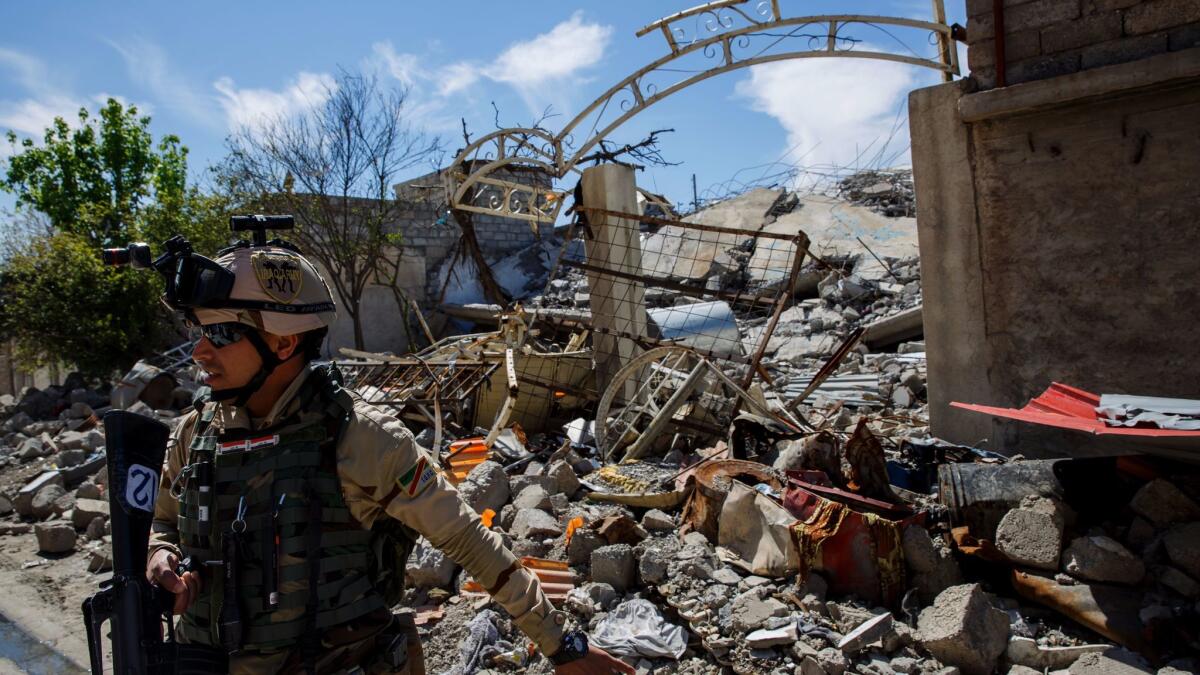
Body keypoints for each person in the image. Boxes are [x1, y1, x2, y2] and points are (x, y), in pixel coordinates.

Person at [144, 236, 632, 674]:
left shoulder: (361, 436)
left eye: (221, 335)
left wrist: (562, 645)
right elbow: (164, 521)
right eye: (197, 332)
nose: (199, 353)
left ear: (284, 341)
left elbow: (469, 542)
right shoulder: (196, 432)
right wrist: (160, 554)